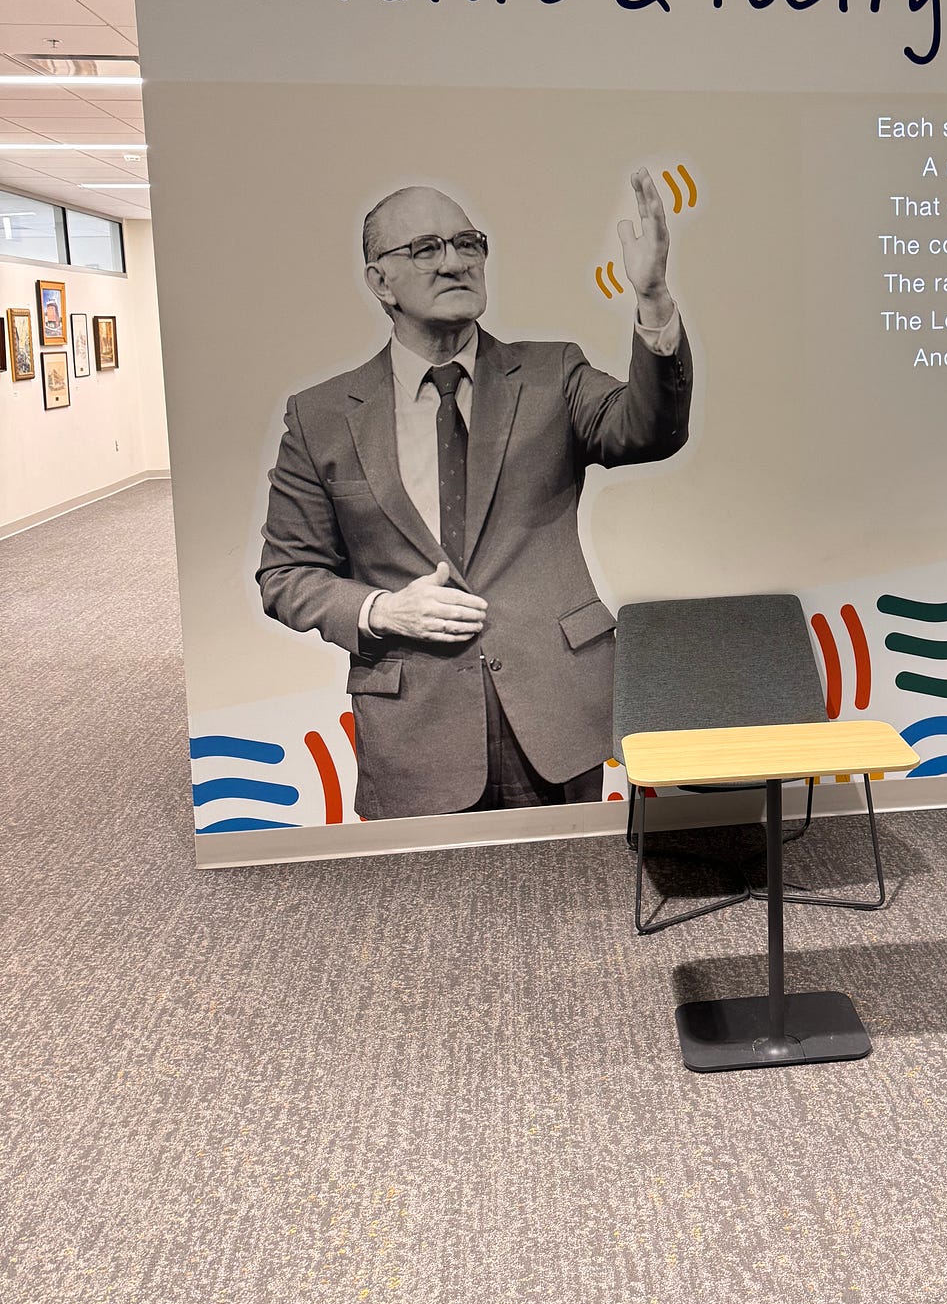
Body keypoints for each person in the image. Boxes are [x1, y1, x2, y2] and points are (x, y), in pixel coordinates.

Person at [257, 169, 691, 820]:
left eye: (467, 243)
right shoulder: (321, 417)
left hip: (553, 715)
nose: (455, 261)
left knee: (567, 903)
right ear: (380, 281)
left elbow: (649, 429)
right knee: (426, 913)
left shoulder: (552, 374)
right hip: (414, 727)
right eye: (426, 248)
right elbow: (285, 574)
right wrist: (381, 608)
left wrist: (653, 298)